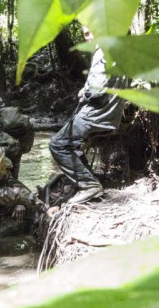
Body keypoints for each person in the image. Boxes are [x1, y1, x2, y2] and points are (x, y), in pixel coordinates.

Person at [49, 26, 126, 204]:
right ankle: (87, 181)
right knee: (71, 143)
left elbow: (97, 91)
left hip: (98, 112)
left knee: (57, 144)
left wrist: (85, 93)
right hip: (110, 110)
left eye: (92, 31)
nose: (89, 37)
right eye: (86, 34)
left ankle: (89, 185)